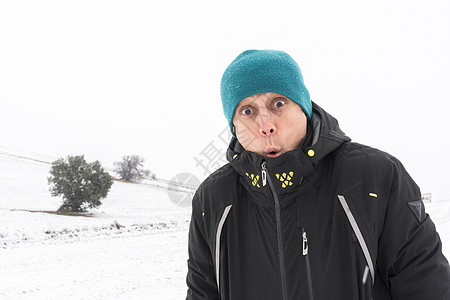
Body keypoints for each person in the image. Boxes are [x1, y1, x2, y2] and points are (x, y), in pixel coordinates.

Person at [185, 50, 450, 300]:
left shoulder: (377, 177)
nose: (266, 126)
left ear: (303, 107)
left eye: (278, 103)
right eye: (247, 111)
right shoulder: (213, 200)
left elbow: (426, 285)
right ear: (233, 125)